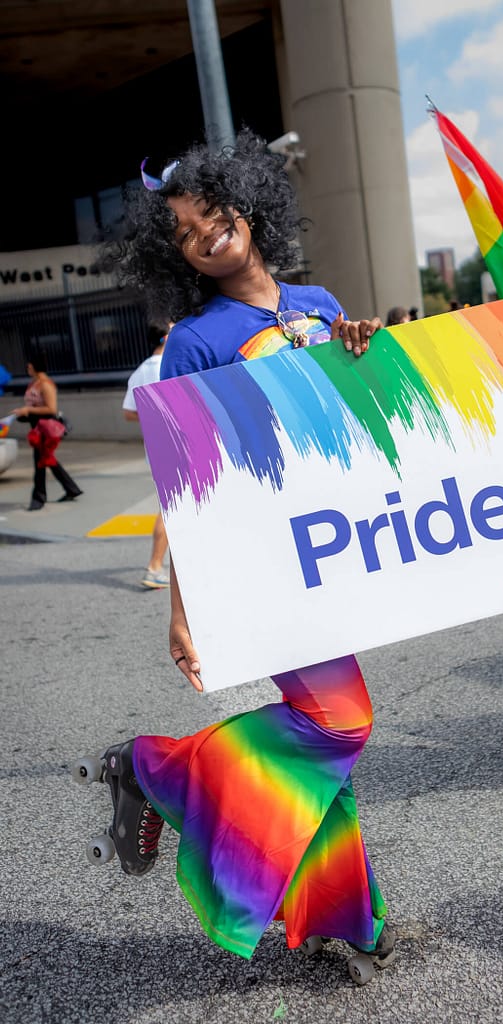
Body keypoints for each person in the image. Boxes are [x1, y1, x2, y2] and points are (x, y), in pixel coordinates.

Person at [97, 128, 394, 965]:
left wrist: (362, 354)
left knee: (319, 753)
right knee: (339, 722)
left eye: (212, 213)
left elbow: (357, 425)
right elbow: (188, 485)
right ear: (177, 259)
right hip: (265, 563)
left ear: (248, 208)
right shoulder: (195, 341)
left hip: (335, 548)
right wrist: (183, 608)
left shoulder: (321, 302)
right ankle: (153, 767)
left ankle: (348, 917)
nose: (205, 234)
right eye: (185, 233)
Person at [122, 321, 172, 589]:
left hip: (155, 445)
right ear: (165, 337)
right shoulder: (172, 363)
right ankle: (154, 566)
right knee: (172, 507)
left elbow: (128, 412)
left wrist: (153, 413)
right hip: (178, 443)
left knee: (174, 504)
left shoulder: (140, 370)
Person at [11, 350, 82, 511]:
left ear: (35, 366)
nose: (27, 367)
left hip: (45, 427)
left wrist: (28, 410)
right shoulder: (33, 383)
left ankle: (39, 498)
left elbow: (51, 409)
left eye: (29, 365)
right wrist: (24, 412)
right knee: (47, 459)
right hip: (35, 425)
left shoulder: (46, 384)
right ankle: (71, 488)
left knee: (40, 461)